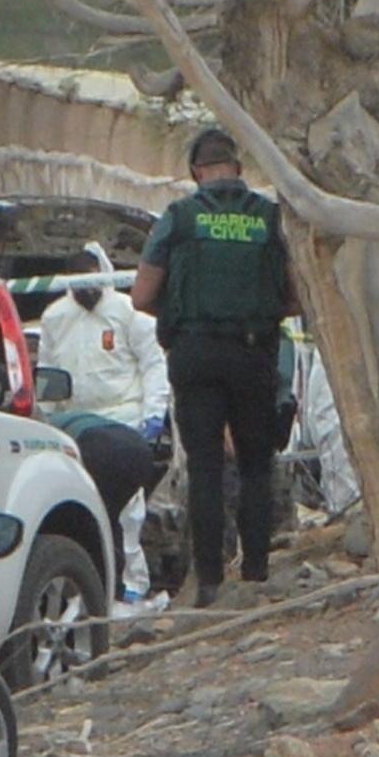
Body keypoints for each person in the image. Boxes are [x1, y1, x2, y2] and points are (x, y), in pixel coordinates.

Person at [131, 127, 298, 609]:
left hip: (195, 353)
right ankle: (257, 570)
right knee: (255, 464)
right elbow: (295, 295)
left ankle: (208, 579)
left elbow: (141, 295)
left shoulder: (179, 218)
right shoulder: (269, 218)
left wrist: (185, 312)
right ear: (239, 170)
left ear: (196, 173)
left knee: (203, 466)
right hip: (254, 351)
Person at [39, 248, 169, 601]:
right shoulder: (56, 318)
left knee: (128, 513)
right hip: (78, 427)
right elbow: (48, 375)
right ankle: (94, 585)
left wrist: (153, 413)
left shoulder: (128, 312)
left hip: (123, 419)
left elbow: (153, 365)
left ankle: (132, 584)